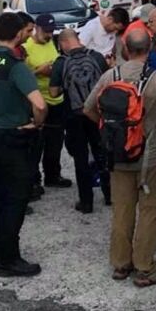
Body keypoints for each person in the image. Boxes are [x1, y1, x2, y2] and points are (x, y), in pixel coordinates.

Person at [84, 30, 156, 287]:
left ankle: (121, 263)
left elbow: (88, 109)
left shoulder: (110, 76)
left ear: (125, 48)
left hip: (118, 154)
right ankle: (145, 267)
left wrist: (108, 131)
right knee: (149, 210)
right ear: (151, 48)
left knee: (122, 209)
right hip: (152, 156)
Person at [0, 12, 48, 277]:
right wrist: (37, 123)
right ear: (17, 34)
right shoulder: (15, 65)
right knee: (16, 197)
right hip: (13, 136)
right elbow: (40, 104)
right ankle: (9, 259)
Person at [50, 28, 110, 213]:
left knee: (81, 158)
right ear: (77, 39)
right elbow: (108, 82)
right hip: (97, 114)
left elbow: (53, 92)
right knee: (102, 153)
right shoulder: (97, 57)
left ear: (63, 43)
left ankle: (86, 202)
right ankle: (110, 195)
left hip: (74, 116)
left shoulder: (61, 62)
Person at [23, 14, 72, 191]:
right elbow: (20, 77)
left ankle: (53, 175)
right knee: (36, 143)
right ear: (36, 28)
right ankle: (34, 180)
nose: (49, 35)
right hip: (37, 101)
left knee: (55, 142)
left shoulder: (53, 42)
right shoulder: (26, 47)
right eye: (46, 31)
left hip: (56, 99)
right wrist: (39, 71)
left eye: (51, 31)